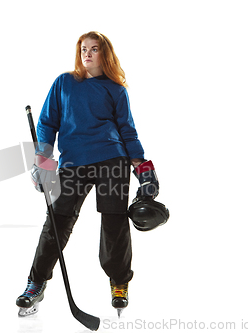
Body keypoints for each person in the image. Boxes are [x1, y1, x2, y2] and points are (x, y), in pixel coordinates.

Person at [16, 31, 158, 316]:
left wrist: (144, 170)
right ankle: (36, 283)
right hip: (74, 162)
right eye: (83, 49)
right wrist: (42, 158)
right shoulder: (65, 83)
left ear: (105, 53)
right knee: (57, 221)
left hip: (112, 160)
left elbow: (128, 132)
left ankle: (119, 283)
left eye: (94, 49)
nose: (88, 54)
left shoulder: (116, 90)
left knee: (114, 223)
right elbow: (47, 122)